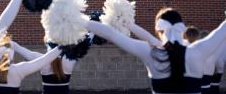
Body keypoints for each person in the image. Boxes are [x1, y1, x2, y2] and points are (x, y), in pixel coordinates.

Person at [87, 7, 226, 94]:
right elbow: (222, 29)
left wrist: (77, 19)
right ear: (182, 27)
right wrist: (129, 24)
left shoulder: (151, 52)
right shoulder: (199, 51)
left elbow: (112, 34)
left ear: (159, 30)